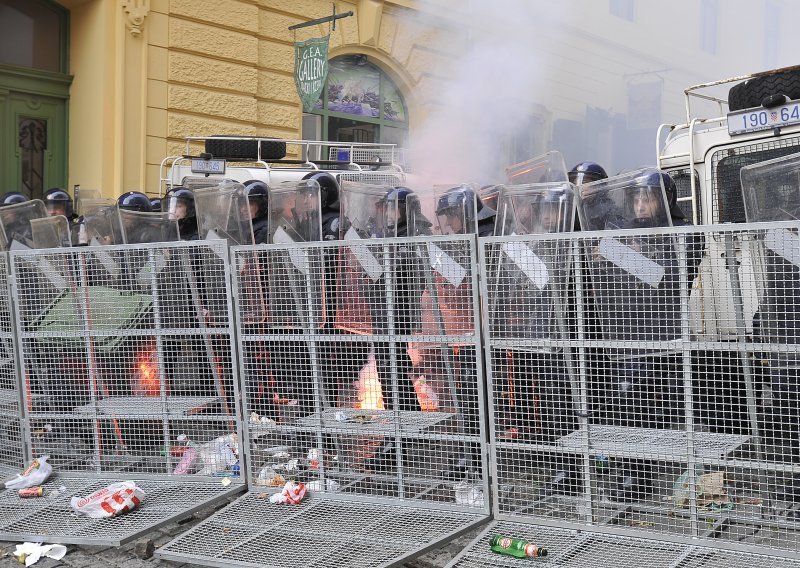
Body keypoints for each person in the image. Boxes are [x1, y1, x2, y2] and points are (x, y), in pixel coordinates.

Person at [242, 180, 270, 244]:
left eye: (249, 203)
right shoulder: (247, 226)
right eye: (241, 204)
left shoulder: (264, 230)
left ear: (262, 205)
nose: (243, 209)